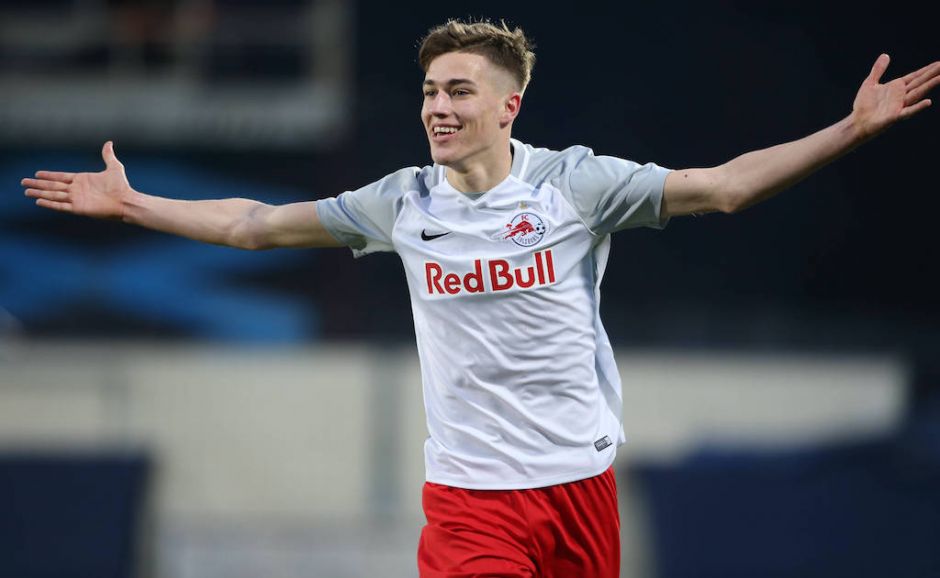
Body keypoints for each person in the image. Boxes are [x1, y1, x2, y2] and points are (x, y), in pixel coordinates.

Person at [21, 18, 939, 578]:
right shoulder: (402, 203)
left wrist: (849, 130)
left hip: (579, 487)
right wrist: (136, 205)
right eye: (430, 90)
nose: (438, 107)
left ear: (510, 107)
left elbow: (726, 187)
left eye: (459, 91)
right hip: (471, 499)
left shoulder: (575, 187)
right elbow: (255, 226)